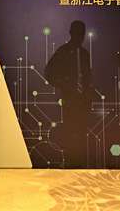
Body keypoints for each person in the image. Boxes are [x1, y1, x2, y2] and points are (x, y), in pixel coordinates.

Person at [44, 20, 92, 167]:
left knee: (82, 135)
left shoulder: (84, 54)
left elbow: (87, 77)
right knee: (70, 133)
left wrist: (88, 97)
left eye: (82, 33)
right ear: (71, 33)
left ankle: (80, 167)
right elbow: (49, 72)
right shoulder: (63, 51)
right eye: (78, 33)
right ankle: (70, 166)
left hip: (83, 102)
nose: (80, 36)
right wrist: (63, 84)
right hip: (70, 101)